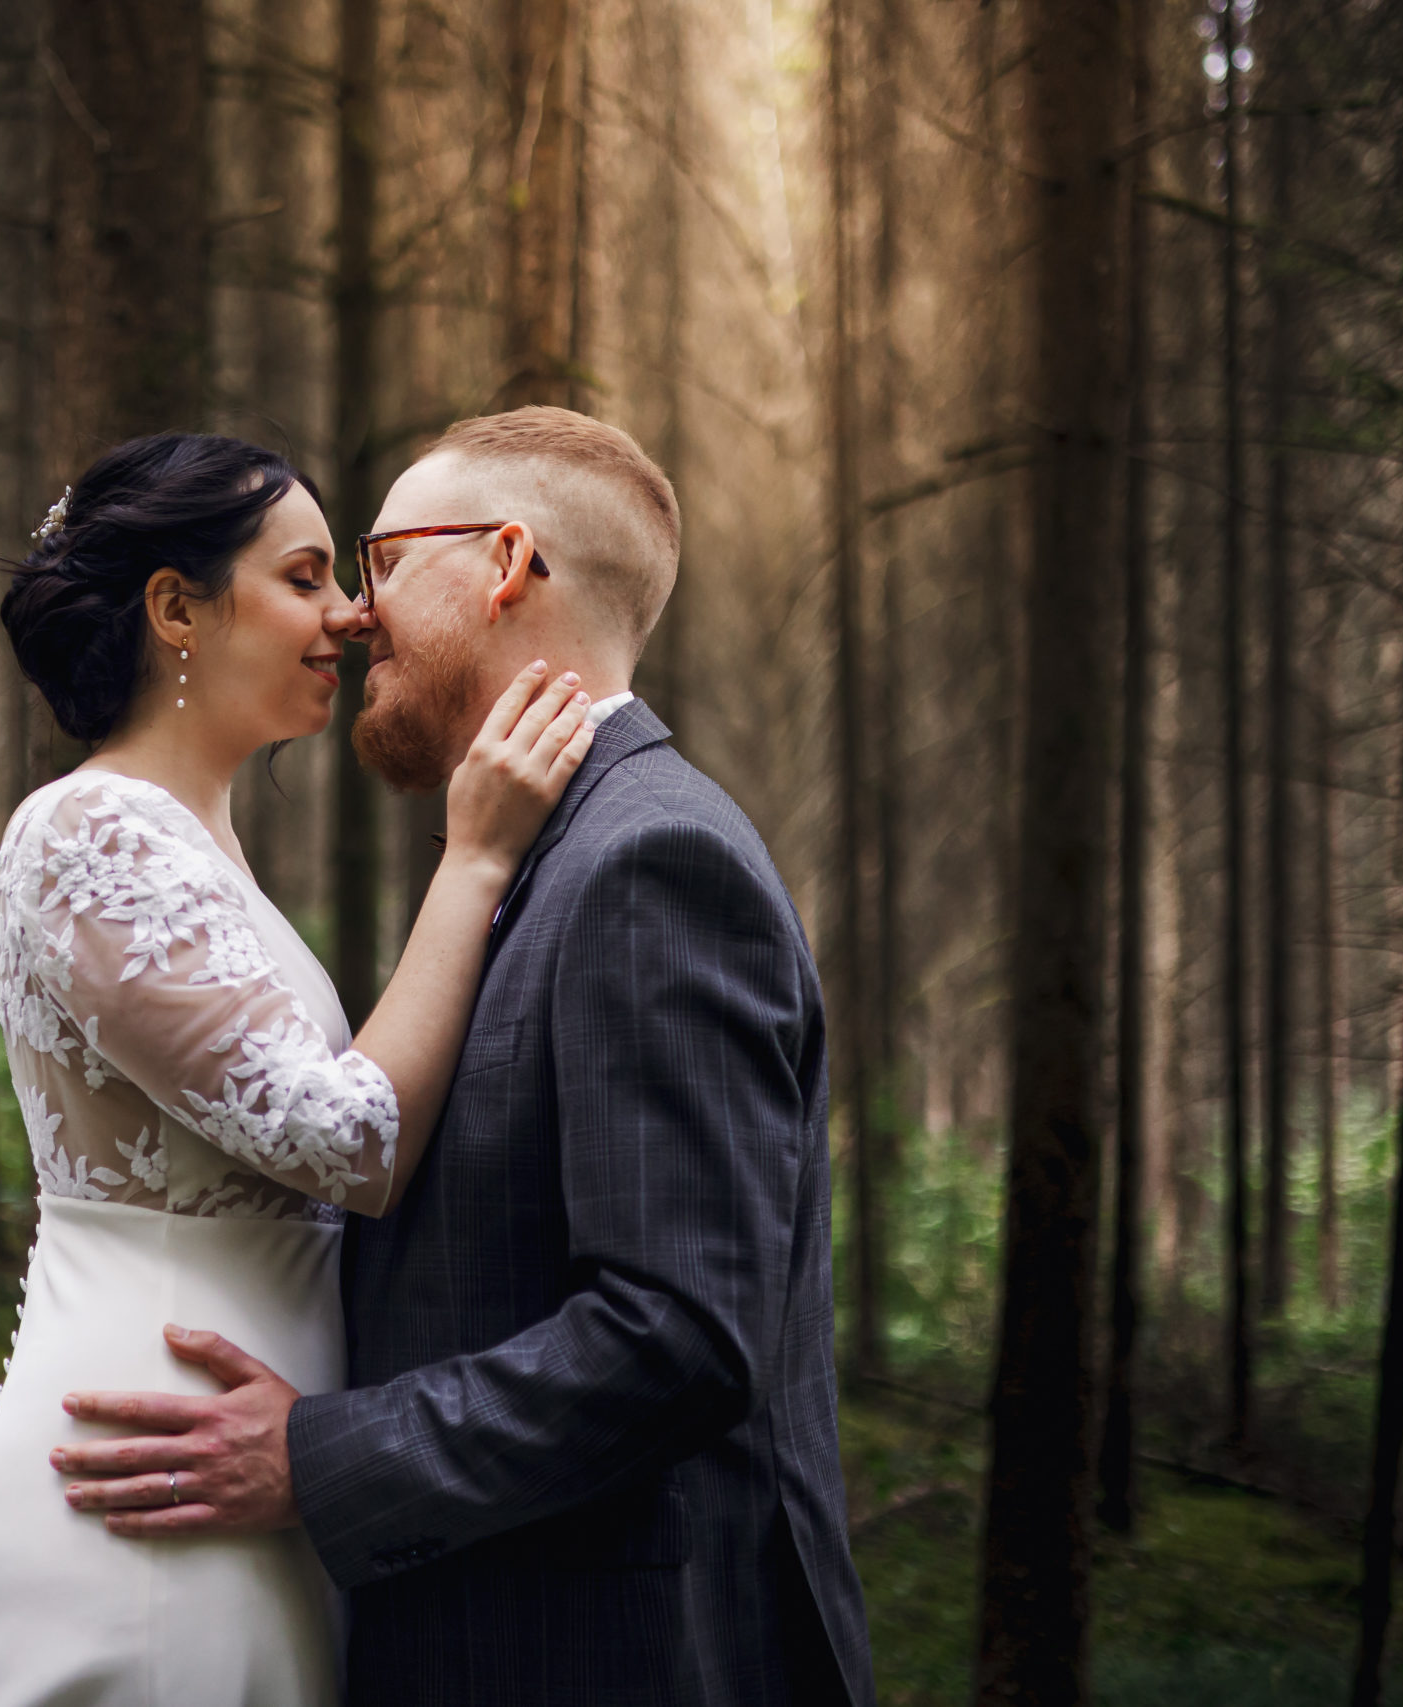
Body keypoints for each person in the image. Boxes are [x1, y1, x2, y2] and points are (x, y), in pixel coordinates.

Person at [45, 406, 875, 1705]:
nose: (357, 613)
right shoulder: (551, 845)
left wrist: (318, 1459)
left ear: (502, 562)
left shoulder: (650, 857)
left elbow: (681, 1334)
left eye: (376, 560)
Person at [0, 431, 595, 1707]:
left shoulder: (188, 848)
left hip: (240, 1459)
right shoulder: (93, 828)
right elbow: (348, 1143)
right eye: (303, 577)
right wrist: (477, 858)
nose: (349, 615)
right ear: (176, 607)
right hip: (153, 1472)